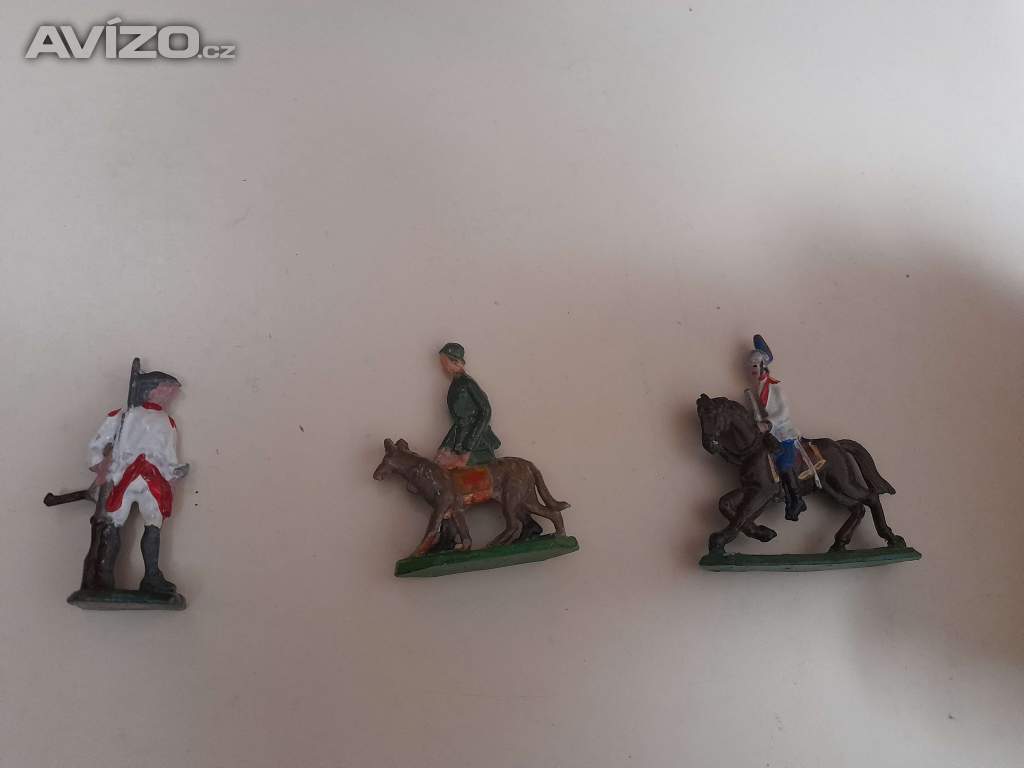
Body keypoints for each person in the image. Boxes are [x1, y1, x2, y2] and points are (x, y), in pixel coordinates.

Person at [83, 361, 189, 594]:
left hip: (154, 482)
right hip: (122, 478)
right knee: (113, 524)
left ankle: (152, 576)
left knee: (154, 525)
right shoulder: (123, 415)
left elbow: (169, 455)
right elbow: (97, 444)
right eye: (165, 388)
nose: (169, 394)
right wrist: (99, 465)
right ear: (149, 389)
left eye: (170, 390)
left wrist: (174, 472)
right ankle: (103, 575)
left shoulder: (168, 422)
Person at [745, 335, 806, 521]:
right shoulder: (759, 388)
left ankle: (797, 499)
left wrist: (769, 423)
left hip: (783, 431)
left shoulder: (776, 387)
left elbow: (783, 411)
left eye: (755, 366)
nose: (753, 370)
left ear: (763, 365)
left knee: (784, 463)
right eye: (751, 367)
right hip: (770, 432)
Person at [434, 342, 501, 469]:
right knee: (439, 461)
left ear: (456, 362)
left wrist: (471, 441)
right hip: (459, 432)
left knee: (458, 467)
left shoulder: (468, 383)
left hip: (473, 434)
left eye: (444, 362)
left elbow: (486, 410)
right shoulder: (456, 383)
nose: (442, 367)